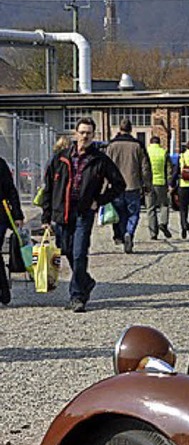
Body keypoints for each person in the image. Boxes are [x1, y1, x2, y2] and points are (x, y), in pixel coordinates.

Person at [42, 117, 125, 312]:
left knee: (79, 254)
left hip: (83, 213)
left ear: (93, 135)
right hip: (62, 213)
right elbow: (48, 188)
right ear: (75, 133)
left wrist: (100, 200)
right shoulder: (60, 158)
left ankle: (77, 296)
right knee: (67, 251)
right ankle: (85, 281)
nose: (85, 136)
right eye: (82, 132)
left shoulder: (99, 159)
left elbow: (119, 184)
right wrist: (46, 217)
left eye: (89, 133)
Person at [106, 118, 152, 253]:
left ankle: (121, 234)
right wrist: (147, 184)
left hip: (116, 186)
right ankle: (129, 232)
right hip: (133, 184)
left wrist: (104, 186)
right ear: (131, 129)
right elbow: (145, 167)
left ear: (119, 129)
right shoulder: (138, 145)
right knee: (133, 213)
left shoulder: (111, 146)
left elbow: (105, 167)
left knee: (120, 213)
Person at [0, 155, 24, 305]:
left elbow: (10, 190)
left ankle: (3, 289)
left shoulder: (0, 164)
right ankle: (3, 288)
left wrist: (17, 214)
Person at [146, 136, 173, 240]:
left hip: (149, 183)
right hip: (161, 182)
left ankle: (153, 233)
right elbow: (169, 169)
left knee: (150, 208)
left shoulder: (146, 152)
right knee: (164, 205)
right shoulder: (163, 152)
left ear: (150, 142)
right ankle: (163, 223)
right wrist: (169, 183)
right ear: (159, 143)